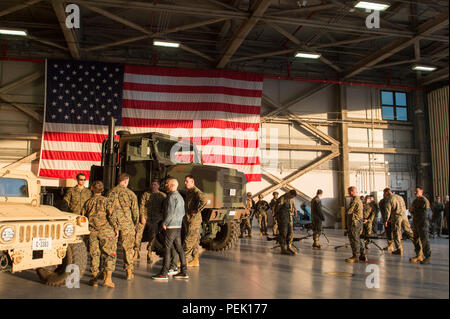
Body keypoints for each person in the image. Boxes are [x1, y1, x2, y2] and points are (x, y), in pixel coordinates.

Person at [82, 181, 118, 288]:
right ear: (102, 190)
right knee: (109, 254)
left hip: (92, 232)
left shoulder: (88, 202)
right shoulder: (107, 201)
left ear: (92, 189)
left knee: (94, 255)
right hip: (106, 232)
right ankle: (108, 279)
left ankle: (94, 279)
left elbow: (83, 217)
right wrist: (116, 228)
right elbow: (111, 216)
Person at [152, 178, 189, 280]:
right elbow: (182, 213)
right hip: (178, 226)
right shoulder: (180, 197)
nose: (166, 185)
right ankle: (184, 271)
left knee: (167, 249)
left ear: (172, 185)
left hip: (171, 227)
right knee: (179, 248)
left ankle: (164, 273)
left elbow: (170, 213)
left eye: (168, 184)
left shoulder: (171, 197)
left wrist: (164, 223)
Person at [107, 173, 139, 280]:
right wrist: (135, 224)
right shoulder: (131, 194)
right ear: (126, 181)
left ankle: (108, 274)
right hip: (127, 225)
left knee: (111, 249)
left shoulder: (110, 193)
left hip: (112, 225)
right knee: (128, 249)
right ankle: (129, 272)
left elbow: (107, 210)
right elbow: (135, 212)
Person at [134, 179, 167, 263]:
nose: (153, 186)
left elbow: (165, 208)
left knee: (153, 236)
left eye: (155, 185)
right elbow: (141, 205)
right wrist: (142, 217)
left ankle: (149, 252)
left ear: (158, 186)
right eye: (152, 184)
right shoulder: (146, 194)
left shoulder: (162, 195)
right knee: (138, 233)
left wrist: (162, 219)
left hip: (155, 219)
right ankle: (136, 251)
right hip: (145, 217)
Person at [183, 175, 207, 267]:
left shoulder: (196, 191)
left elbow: (204, 200)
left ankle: (183, 261)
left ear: (192, 182)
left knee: (188, 240)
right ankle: (195, 260)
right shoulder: (190, 192)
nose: (185, 183)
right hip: (190, 219)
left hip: (194, 220)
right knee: (195, 240)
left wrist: (197, 210)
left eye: (187, 181)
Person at [384, 188, 414, 255]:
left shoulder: (389, 198)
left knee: (396, 231)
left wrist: (386, 220)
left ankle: (399, 249)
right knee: (408, 230)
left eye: (384, 193)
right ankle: (417, 243)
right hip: (404, 215)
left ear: (387, 192)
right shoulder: (400, 197)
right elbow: (404, 206)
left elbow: (388, 210)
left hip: (397, 216)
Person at [409, 187, 431, 264]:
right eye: (415, 191)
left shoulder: (424, 201)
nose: (415, 193)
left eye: (417, 191)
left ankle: (427, 257)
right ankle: (418, 255)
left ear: (421, 191)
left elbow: (425, 213)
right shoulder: (415, 201)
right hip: (416, 223)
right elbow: (411, 210)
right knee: (416, 240)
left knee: (424, 240)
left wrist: (414, 211)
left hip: (422, 223)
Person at [345, 186, 366, 263]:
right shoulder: (357, 200)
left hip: (355, 222)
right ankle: (362, 254)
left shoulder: (355, 200)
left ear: (352, 191)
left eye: (349, 191)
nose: (348, 193)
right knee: (357, 238)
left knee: (354, 239)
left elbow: (349, 211)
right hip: (357, 222)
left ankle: (355, 256)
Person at [275, 190, 298, 255]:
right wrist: (279, 219)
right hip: (282, 219)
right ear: (289, 193)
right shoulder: (282, 199)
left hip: (288, 219)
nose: (292, 198)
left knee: (290, 233)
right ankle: (283, 249)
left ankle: (289, 247)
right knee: (283, 234)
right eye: (292, 196)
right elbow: (277, 210)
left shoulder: (288, 199)